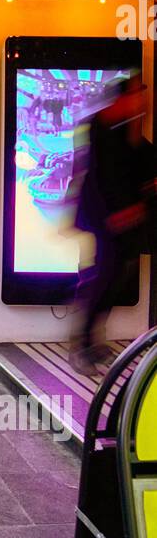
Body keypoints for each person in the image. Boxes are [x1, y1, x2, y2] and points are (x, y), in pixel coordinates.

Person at [73, 77, 157, 370]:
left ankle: (89, 342)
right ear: (122, 98)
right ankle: (84, 344)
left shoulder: (124, 127)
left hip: (121, 220)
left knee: (112, 278)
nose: (142, 101)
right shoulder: (102, 127)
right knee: (105, 279)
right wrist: (117, 212)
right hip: (106, 220)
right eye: (137, 95)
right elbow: (102, 176)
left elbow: (140, 160)